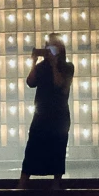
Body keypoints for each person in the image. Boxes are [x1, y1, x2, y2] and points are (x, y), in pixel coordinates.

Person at [21, 32, 74, 181]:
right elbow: (30, 82)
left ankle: (56, 184)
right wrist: (33, 62)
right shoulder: (41, 67)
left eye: (54, 45)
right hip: (41, 114)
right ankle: (22, 183)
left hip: (59, 115)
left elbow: (59, 84)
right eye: (48, 45)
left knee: (58, 148)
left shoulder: (67, 67)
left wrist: (54, 64)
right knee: (33, 147)